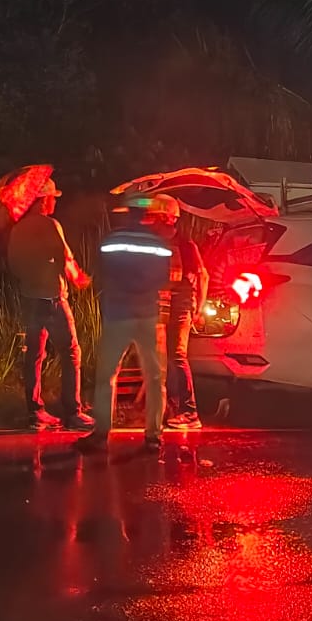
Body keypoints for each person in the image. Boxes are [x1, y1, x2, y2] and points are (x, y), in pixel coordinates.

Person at [79, 194, 180, 457]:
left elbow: (100, 272)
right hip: (147, 315)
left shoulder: (112, 240)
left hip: (118, 315)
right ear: (147, 215)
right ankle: (153, 437)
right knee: (155, 376)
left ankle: (101, 434)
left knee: (106, 377)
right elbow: (164, 279)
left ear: (127, 213)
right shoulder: (160, 244)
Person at [7, 184, 94, 431]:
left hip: (30, 298)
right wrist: (78, 278)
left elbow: (13, 264)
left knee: (34, 355)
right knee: (71, 352)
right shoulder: (50, 225)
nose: (54, 202)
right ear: (42, 200)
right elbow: (65, 256)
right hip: (53, 298)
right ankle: (73, 413)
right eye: (52, 198)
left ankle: (35, 412)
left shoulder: (18, 229)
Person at [164, 229, 209, 431]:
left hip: (182, 305)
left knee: (178, 355)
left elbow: (203, 275)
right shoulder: (159, 242)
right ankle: (172, 407)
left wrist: (199, 308)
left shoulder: (185, 244)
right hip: (165, 304)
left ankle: (190, 412)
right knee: (166, 356)